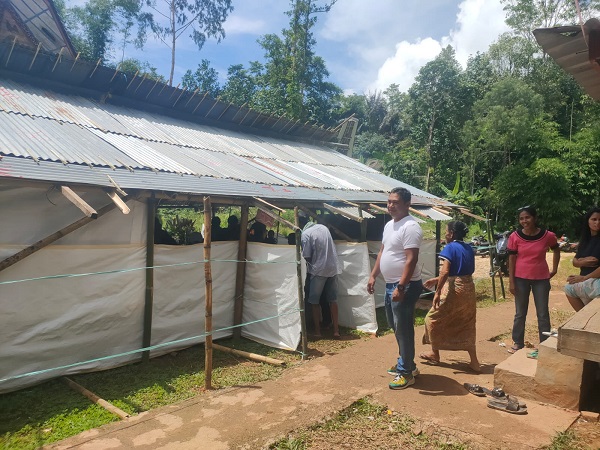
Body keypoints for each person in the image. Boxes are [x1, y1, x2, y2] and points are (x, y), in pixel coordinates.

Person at [367, 187, 423, 390]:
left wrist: (401, 286)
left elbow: (411, 259)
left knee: (404, 329)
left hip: (404, 286)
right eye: (389, 202)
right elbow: (383, 251)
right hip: (392, 285)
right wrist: (373, 275)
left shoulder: (411, 227)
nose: (390, 205)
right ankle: (408, 364)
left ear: (407, 204)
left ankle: (406, 373)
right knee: (395, 326)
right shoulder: (390, 225)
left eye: (395, 202)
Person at [421, 221, 481, 372]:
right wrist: (436, 280)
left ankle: (435, 353)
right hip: (469, 288)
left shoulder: (449, 248)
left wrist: (437, 291)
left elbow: (446, 272)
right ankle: (474, 362)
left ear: (452, 234)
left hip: (455, 290)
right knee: (467, 322)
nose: (445, 235)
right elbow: (460, 271)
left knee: (432, 318)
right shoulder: (468, 247)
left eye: (446, 232)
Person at [507, 206, 560, 357]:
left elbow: (556, 249)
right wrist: (511, 281)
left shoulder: (548, 235)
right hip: (520, 278)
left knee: (543, 313)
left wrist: (555, 269)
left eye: (527, 217)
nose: (524, 221)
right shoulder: (514, 236)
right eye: (521, 218)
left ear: (535, 218)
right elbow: (511, 259)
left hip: (541, 279)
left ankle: (544, 344)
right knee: (520, 313)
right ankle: (518, 342)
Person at [299, 215, 342, 338]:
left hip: (318, 270)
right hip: (333, 268)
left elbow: (306, 256)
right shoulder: (323, 228)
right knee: (333, 300)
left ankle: (317, 332)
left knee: (314, 302)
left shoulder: (305, 234)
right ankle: (336, 330)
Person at [565, 207, 600, 311]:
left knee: (569, 289)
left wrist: (584, 278)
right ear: (588, 221)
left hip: (594, 281)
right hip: (587, 283)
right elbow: (575, 260)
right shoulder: (585, 240)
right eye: (594, 219)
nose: (597, 222)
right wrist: (582, 262)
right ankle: (583, 319)